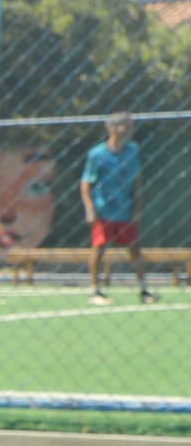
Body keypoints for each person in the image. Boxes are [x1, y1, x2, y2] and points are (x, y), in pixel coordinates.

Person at [83, 112, 150, 303]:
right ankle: (95, 291)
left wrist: (137, 207)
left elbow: (137, 181)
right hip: (104, 210)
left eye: (130, 126)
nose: (129, 130)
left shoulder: (132, 150)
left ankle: (144, 290)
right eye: (125, 126)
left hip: (126, 209)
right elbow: (86, 184)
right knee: (99, 247)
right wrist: (90, 209)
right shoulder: (97, 154)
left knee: (135, 248)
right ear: (112, 128)